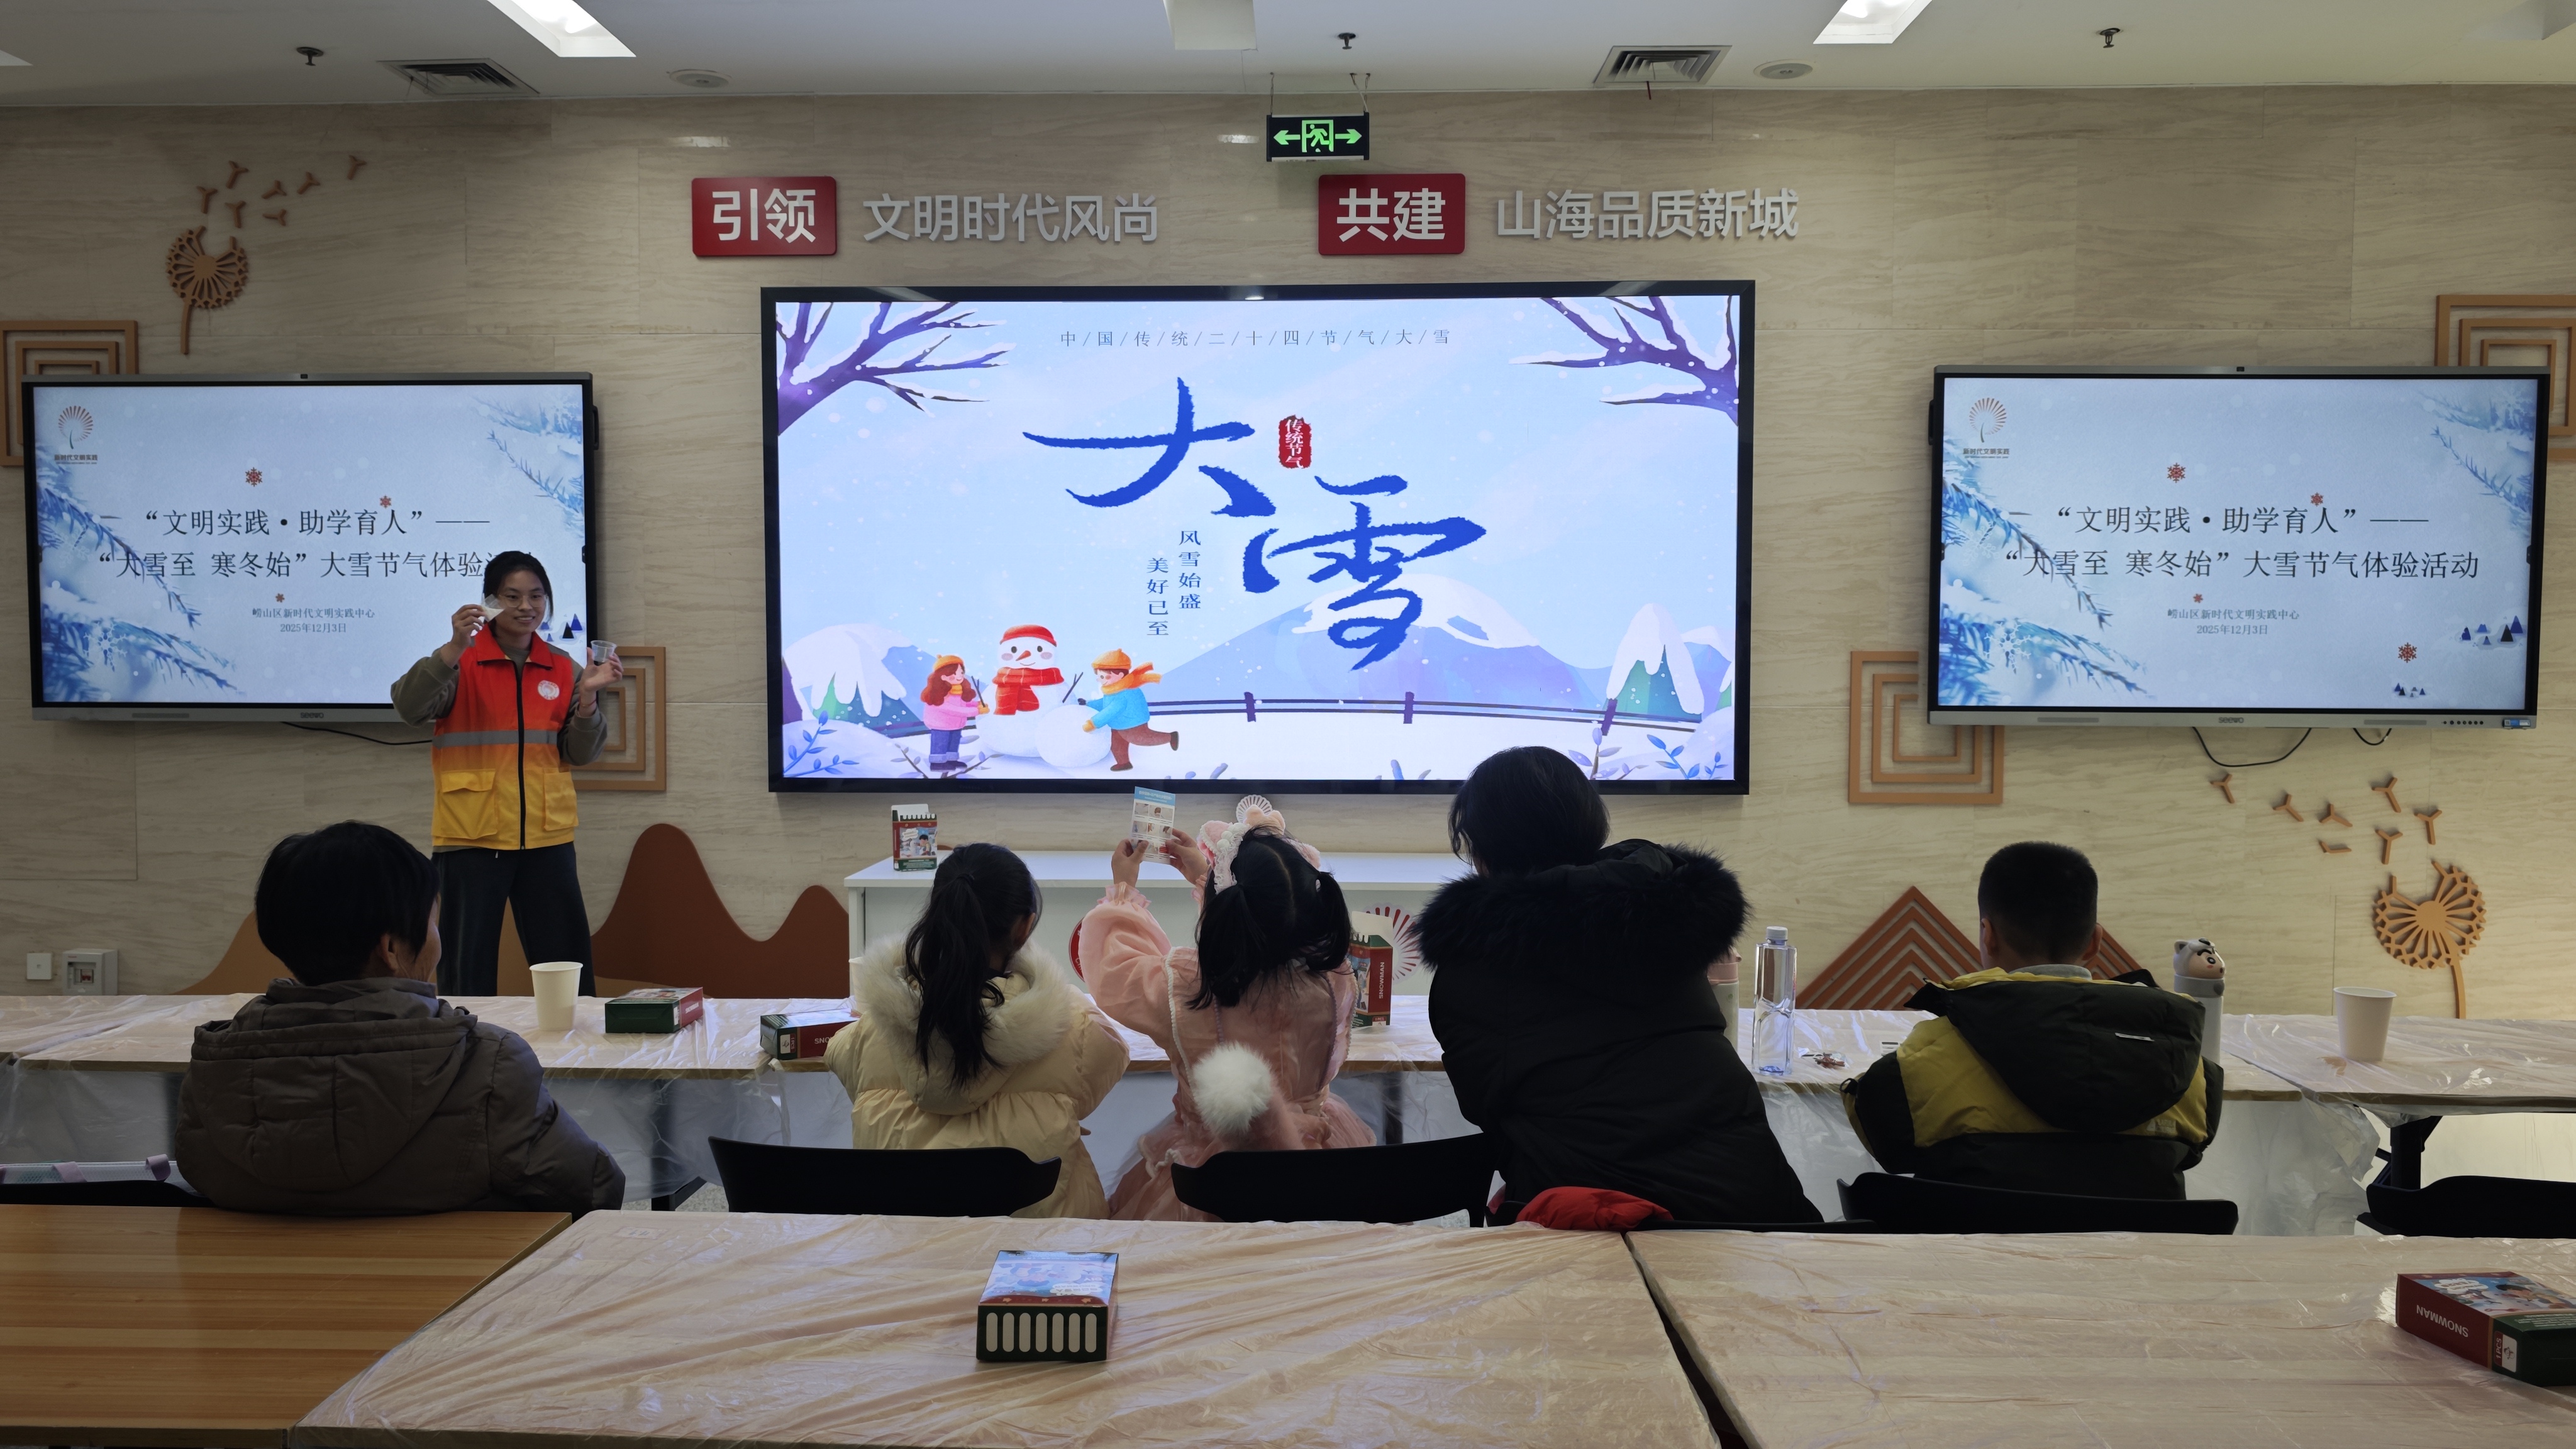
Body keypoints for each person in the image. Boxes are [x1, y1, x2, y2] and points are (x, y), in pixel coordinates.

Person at [1418, 746, 1818, 1224]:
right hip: (1761, 1216)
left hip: (1603, 1226)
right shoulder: (1667, 925)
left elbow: (1486, 1107)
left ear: (1482, 848)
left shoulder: (1475, 965)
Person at [175, 822, 625, 1216]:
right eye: (433, 923)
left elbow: (203, 1177)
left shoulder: (216, 1069)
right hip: (459, 1286)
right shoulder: (490, 1066)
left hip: (261, 1287)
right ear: (391, 949)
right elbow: (593, 1189)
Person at [1840, 841, 2221, 1200]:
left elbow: (1886, 1143)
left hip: (1973, 1249)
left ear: (1988, 935)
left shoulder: (1927, 1057)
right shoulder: (2187, 1067)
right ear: (2095, 942)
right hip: (2142, 1249)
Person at [1082, 798, 1372, 1219]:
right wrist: (1208, 879)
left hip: (1212, 1174)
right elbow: (1256, 936)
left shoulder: (1186, 988)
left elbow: (1117, 969)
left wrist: (1123, 888)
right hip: (1316, 1164)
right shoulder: (1336, 979)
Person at [827, 843, 1129, 1216]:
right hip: (1040, 1246)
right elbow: (1112, 1057)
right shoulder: (1075, 1026)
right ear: (1024, 928)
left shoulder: (876, 1027)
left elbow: (837, 1052)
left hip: (906, 1245)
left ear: (938, 916)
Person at [391, 551, 621, 997]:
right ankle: (465, 1036)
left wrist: (589, 698)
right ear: (490, 601)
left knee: (565, 962)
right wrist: (454, 646)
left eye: (536, 596)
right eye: (512, 596)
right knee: (466, 966)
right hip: (471, 835)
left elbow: (580, 752)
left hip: (547, 837)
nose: (526, 607)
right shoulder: (461, 662)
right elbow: (408, 706)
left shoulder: (563, 667)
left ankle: (573, 1037)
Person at [1080, 647, 1177, 772]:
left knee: (1143, 739)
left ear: (1120, 675)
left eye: (1104, 676)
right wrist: (1088, 704)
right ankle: (1124, 763)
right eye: (1099, 676)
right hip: (1120, 724)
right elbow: (1105, 704)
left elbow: (1111, 711)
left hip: (1133, 724)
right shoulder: (1113, 689)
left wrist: (1093, 723)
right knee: (1117, 744)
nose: (1100, 680)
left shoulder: (1124, 693)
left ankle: (1171, 737)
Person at [917, 655, 988, 773]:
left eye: (961, 673)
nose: (960, 676)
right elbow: (953, 710)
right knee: (941, 744)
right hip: (941, 725)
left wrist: (977, 704)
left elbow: (963, 704)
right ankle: (937, 763)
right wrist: (977, 711)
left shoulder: (957, 689)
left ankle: (951, 760)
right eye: (954, 674)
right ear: (943, 676)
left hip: (955, 724)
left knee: (953, 742)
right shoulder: (939, 693)